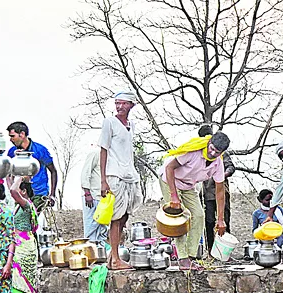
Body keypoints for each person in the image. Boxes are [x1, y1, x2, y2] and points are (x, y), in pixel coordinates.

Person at [159, 132, 230, 270]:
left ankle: (191, 256)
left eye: (217, 152)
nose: (212, 153)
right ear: (209, 143)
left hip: (188, 186)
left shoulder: (218, 163)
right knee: (179, 218)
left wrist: (220, 219)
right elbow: (169, 167)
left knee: (198, 216)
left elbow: (220, 191)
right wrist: (174, 196)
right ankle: (183, 258)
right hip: (170, 180)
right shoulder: (193, 153)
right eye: (212, 148)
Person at [99, 92, 144, 270]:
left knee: (125, 214)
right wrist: (103, 180)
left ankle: (112, 256)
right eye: (117, 103)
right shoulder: (109, 123)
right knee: (116, 217)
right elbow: (103, 150)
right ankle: (116, 258)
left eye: (123, 104)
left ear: (131, 105)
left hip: (129, 174)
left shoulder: (131, 125)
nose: (119, 107)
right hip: (114, 174)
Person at [6, 176, 39, 293]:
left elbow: (12, 191)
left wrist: (19, 177)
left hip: (23, 248)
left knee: (18, 286)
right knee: (22, 286)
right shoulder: (20, 206)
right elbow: (11, 187)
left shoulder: (26, 205)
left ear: (24, 191)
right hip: (22, 245)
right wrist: (9, 173)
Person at [199, 125, 235, 253]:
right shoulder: (199, 151)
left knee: (224, 221)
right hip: (207, 194)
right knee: (209, 222)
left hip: (222, 192)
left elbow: (231, 168)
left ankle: (225, 250)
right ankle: (210, 250)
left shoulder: (221, 153)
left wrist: (221, 176)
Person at [7, 121, 58, 213]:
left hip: (39, 193)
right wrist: (12, 191)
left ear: (22, 134)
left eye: (12, 136)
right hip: (20, 194)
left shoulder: (40, 150)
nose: (10, 139)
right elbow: (9, 174)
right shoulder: (12, 152)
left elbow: (53, 171)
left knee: (34, 223)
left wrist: (52, 195)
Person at [81, 146, 109, 242]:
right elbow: (85, 173)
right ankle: (90, 251)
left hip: (104, 199)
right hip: (92, 197)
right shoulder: (95, 153)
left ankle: (101, 253)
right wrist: (87, 193)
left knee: (103, 229)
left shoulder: (111, 156)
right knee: (91, 228)